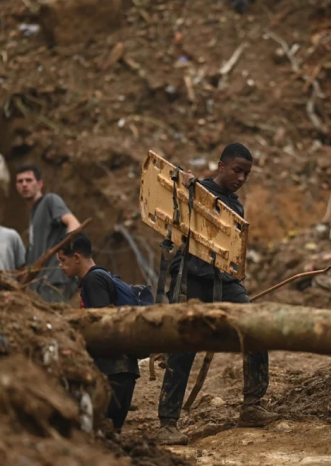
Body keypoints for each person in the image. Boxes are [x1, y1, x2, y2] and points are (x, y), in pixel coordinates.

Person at [157, 143, 277, 446]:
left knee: (255, 330)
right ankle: (167, 423)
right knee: (184, 346)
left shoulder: (235, 207)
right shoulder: (196, 190)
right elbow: (170, 206)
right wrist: (183, 184)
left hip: (224, 280)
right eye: (237, 170)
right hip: (192, 278)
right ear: (221, 165)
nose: (241, 178)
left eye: (247, 174)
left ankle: (251, 405)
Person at [57, 233, 139, 435]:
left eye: (62, 260)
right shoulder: (101, 276)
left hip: (113, 373)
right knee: (111, 433)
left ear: (76, 257)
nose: (60, 266)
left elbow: (102, 326)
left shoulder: (93, 281)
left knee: (103, 433)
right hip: (122, 370)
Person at [16, 165, 80, 302]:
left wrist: (65, 249)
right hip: (41, 285)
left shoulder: (50, 201)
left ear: (40, 184)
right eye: (20, 181)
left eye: (29, 180)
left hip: (56, 280)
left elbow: (73, 223)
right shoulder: (34, 213)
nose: (24, 184)